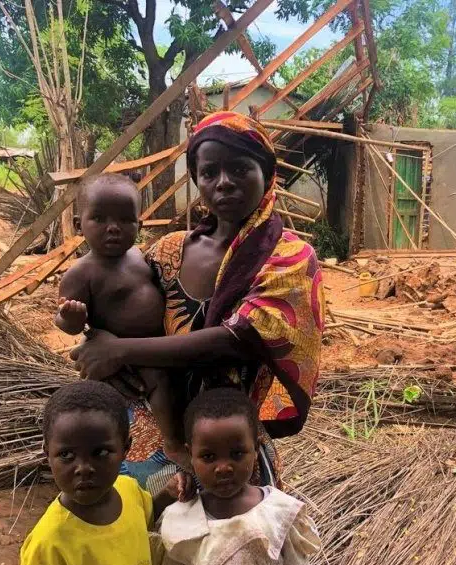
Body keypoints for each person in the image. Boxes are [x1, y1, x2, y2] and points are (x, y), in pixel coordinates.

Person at [69, 111, 324, 497]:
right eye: (209, 173)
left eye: (239, 168)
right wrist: (103, 353)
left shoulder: (289, 256)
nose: (223, 183)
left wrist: (120, 350)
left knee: (229, 545)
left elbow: (236, 339)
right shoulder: (169, 249)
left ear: (268, 173)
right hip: (151, 427)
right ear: (197, 179)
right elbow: (118, 309)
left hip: (228, 445)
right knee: (147, 540)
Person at [154, 387, 320, 565]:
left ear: (255, 449)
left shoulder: (280, 512)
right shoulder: (179, 523)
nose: (223, 467)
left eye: (236, 453)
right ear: (188, 455)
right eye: (208, 457)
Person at [9, 381, 158, 565]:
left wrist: (178, 489)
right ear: (46, 453)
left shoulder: (129, 492)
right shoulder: (48, 546)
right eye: (67, 455)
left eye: (100, 453)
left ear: (126, 448)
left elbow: (149, 513)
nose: (83, 467)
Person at [54, 174, 182, 459]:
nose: (113, 229)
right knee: (158, 383)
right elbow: (65, 323)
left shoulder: (140, 256)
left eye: (125, 220)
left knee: (172, 383)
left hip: (154, 344)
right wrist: (73, 317)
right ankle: (173, 443)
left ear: (140, 224)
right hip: (126, 353)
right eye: (99, 219)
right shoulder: (82, 272)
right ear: (78, 224)